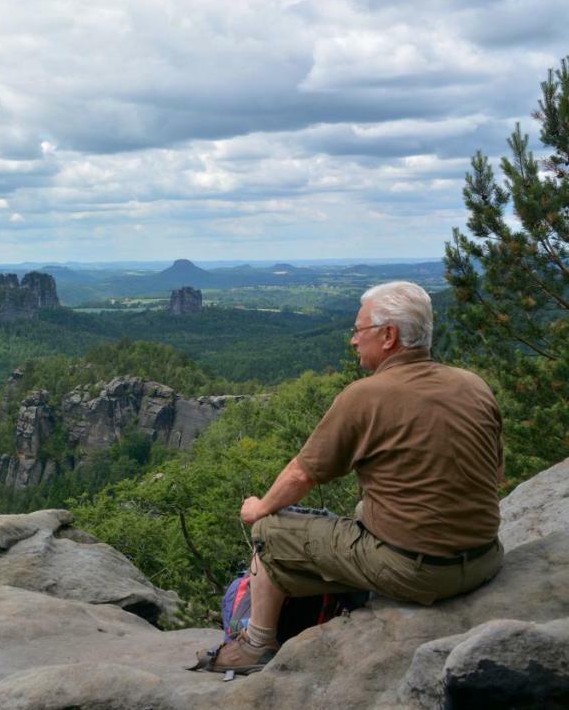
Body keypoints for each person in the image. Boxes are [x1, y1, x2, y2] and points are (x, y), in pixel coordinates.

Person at [202, 281, 504, 675]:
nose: (353, 341)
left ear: (389, 335)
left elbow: (300, 474)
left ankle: (257, 645)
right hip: (485, 560)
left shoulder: (366, 395)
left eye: (359, 331)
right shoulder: (474, 384)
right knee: (361, 510)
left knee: (270, 531)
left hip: (421, 574)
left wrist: (258, 508)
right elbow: (494, 476)